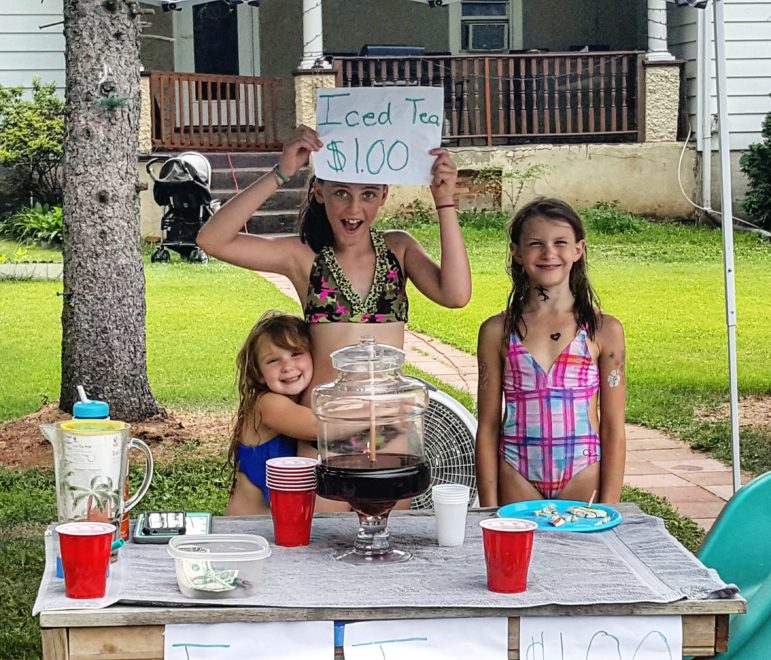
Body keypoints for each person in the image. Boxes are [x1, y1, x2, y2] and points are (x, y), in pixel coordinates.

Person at [196, 124, 471, 393]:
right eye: (341, 192)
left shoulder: (398, 249)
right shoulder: (303, 256)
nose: (354, 207)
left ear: (383, 195)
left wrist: (444, 201)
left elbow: (456, 295)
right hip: (323, 425)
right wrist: (282, 173)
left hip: (389, 423)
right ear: (319, 192)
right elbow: (212, 240)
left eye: (368, 194)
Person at [475, 197, 626, 506]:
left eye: (560, 242)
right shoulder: (497, 332)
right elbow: (488, 426)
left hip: (584, 471)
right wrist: (488, 508)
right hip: (516, 470)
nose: (549, 253)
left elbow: (613, 427)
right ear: (516, 252)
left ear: (578, 250)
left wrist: (609, 507)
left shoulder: (603, 330)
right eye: (535, 244)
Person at [225, 311, 317, 516]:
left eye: (296, 354)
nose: (287, 367)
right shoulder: (266, 404)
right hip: (245, 531)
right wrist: (378, 413)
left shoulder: (296, 402)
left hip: (275, 531)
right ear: (258, 372)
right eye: (273, 360)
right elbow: (318, 427)